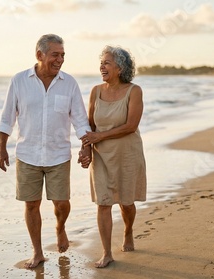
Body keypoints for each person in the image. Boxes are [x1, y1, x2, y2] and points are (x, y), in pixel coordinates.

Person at [0, 34, 92, 269]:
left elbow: (80, 119)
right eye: (55, 55)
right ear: (39, 55)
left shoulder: (69, 83)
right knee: (31, 205)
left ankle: (60, 227)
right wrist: (1, 148)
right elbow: (7, 116)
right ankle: (37, 252)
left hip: (58, 154)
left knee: (61, 202)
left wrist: (85, 146)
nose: (60, 60)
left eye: (62, 55)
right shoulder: (19, 81)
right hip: (27, 154)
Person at [80, 45, 147, 268]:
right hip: (101, 155)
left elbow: (131, 125)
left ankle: (128, 231)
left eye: (107, 63)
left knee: (126, 203)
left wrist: (100, 136)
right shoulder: (95, 91)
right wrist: (87, 148)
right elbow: (89, 125)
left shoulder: (134, 91)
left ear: (120, 68)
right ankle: (107, 252)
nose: (102, 66)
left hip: (127, 154)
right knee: (103, 202)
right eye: (101, 63)